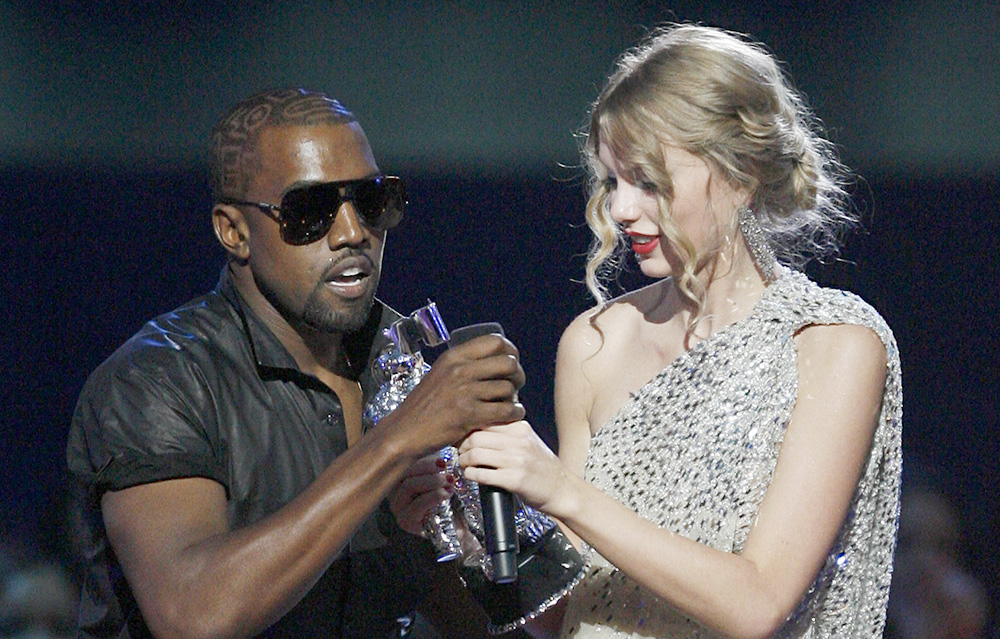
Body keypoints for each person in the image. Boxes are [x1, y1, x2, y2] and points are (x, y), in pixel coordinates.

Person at [452, 24, 903, 638]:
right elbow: (575, 612)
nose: (622, 209)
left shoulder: (833, 344)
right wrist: (471, 534)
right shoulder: (595, 343)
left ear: (741, 176)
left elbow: (760, 602)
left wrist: (556, 489)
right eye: (613, 181)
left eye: (650, 182)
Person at [65, 88, 525, 639]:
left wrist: (469, 545)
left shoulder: (396, 364)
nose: (353, 233)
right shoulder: (158, 380)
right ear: (234, 231)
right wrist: (394, 441)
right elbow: (191, 615)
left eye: (373, 200)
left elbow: (472, 621)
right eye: (311, 211)